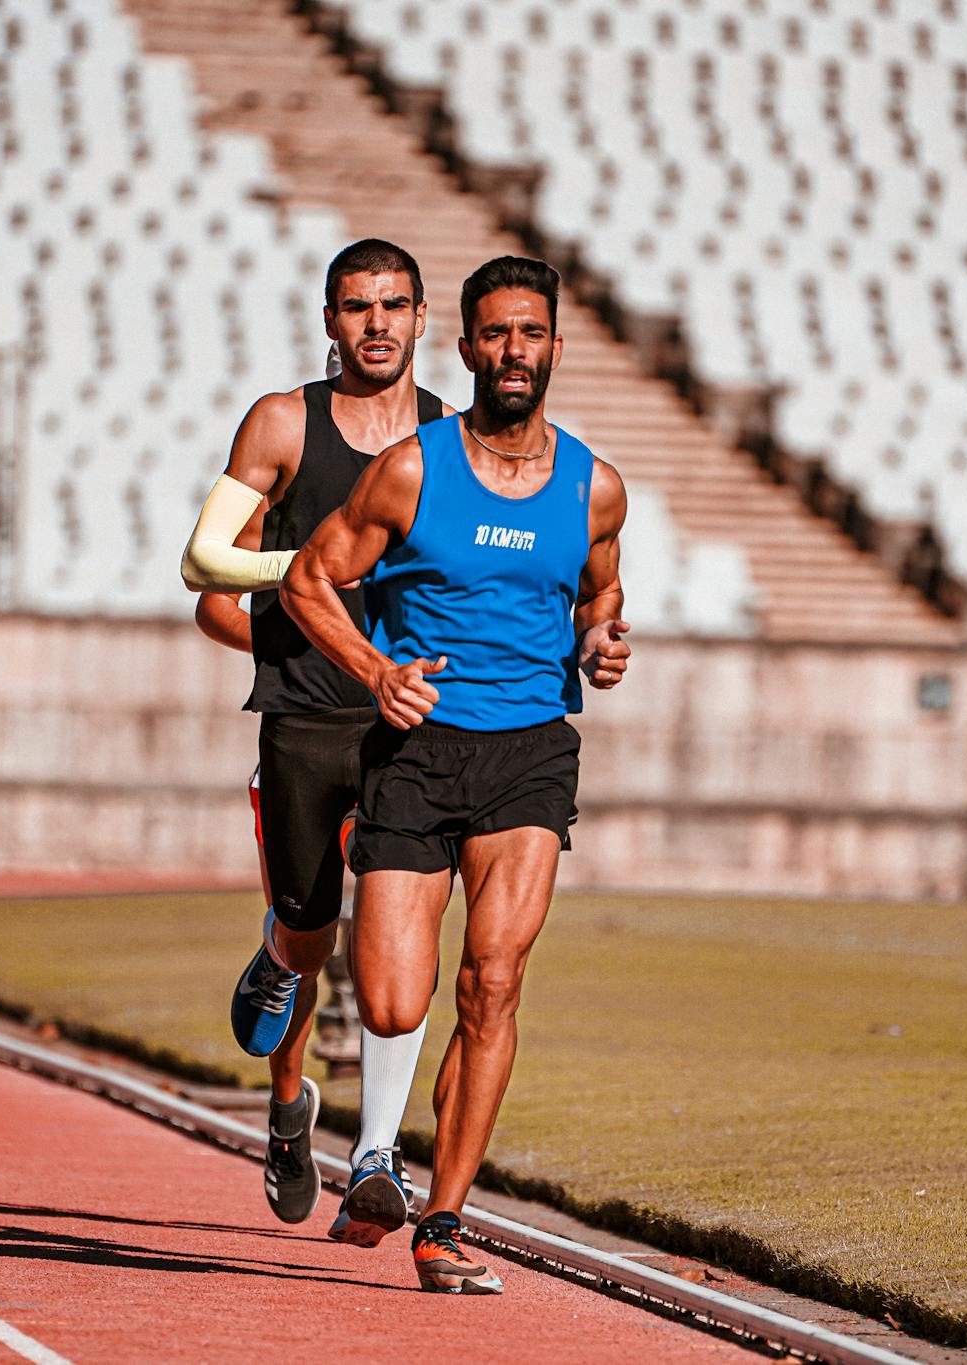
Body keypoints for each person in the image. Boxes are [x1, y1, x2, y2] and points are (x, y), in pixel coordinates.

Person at [283, 256, 631, 1294]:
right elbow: (310, 579)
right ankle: (375, 1154)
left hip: (529, 753)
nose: (512, 352)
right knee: (393, 1001)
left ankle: (442, 1221)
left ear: (554, 348)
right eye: (493, 334)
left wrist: (603, 647)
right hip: (416, 752)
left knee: (493, 981)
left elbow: (598, 605)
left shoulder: (595, 487)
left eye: (530, 334)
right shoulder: (410, 469)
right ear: (466, 347)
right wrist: (375, 671)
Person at [182, 239, 451, 1241]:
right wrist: (314, 579)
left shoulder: (451, 442)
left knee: (394, 931)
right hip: (300, 716)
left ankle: (375, 1151)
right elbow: (209, 577)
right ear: (329, 320)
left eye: (393, 305)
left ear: (424, 321)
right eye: (354, 306)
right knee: (306, 936)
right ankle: (289, 1102)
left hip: (409, 721)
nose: (374, 323)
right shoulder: (283, 422)